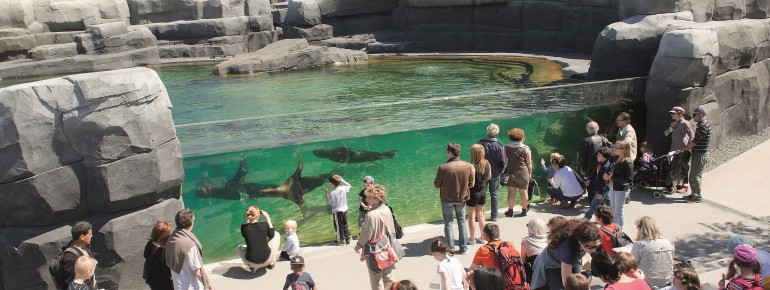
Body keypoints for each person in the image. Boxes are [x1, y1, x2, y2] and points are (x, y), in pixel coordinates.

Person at [355, 184, 404, 290]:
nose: (366, 199)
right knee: (388, 275)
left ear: (377, 200)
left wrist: (358, 245)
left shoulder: (371, 215)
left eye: (369, 197)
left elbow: (366, 234)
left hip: (375, 250)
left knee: (375, 278)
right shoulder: (386, 209)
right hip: (388, 247)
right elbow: (392, 228)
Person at [530, 219, 603, 290]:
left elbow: (580, 254)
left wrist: (585, 264)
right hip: (553, 265)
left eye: (597, 246)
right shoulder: (566, 247)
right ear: (580, 242)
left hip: (572, 261)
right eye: (591, 247)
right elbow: (567, 282)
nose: (594, 250)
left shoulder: (585, 243)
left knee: (579, 285)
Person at [434, 143, 475, 254]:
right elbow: (471, 184)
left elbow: (436, 184)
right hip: (461, 198)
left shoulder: (443, 167)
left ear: (450, 153)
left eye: (447, 152)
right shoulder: (468, 166)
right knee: (461, 221)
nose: (446, 154)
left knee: (448, 223)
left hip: (447, 199)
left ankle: (451, 248)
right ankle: (463, 247)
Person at [165, 209, 213, 290]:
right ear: (191, 223)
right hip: (191, 286)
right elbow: (196, 272)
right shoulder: (190, 245)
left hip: (178, 285)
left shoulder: (171, 239)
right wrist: (209, 285)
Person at [631, 216, 675, 288]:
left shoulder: (640, 245)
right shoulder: (669, 242)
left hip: (648, 284)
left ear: (641, 229)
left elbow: (631, 265)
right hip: (667, 282)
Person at [680, 107, 711, 202]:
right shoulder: (703, 125)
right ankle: (694, 194)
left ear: (701, 115)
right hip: (700, 153)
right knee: (696, 175)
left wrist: (685, 149)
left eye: (694, 115)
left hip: (700, 154)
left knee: (694, 176)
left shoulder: (703, 126)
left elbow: (695, 141)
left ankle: (696, 197)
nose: (693, 117)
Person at [237, 206, 279, 272]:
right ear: (258, 215)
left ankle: (252, 267)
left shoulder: (244, 228)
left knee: (239, 247)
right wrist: (267, 218)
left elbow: (246, 230)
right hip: (267, 259)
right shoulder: (264, 225)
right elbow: (272, 235)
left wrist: (248, 219)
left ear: (248, 215)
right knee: (276, 234)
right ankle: (271, 262)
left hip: (252, 262)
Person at [477, 123, 506, 221]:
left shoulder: (479, 143)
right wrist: (501, 171)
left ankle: (479, 215)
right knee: (494, 194)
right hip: (494, 173)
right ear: (496, 134)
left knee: (481, 193)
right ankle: (494, 215)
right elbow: (502, 161)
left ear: (487, 132)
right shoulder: (499, 146)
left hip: (482, 172)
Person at [503, 128, 533, 217]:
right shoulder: (526, 148)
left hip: (511, 172)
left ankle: (510, 210)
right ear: (522, 137)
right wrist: (530, 173)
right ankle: (524, 210)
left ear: (511, 137)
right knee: (523, 192)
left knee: (511, 193)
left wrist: (502, 171)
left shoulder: (506, 147)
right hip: (523, 173)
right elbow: (529, 164)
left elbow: (504, 161)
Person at [665, 107, 694, 193]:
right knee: (676, 166)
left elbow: (692, 135)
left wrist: (687, 148)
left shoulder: (685, 123)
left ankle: (685, 185)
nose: (671, 115)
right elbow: (666, 134)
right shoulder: (676, 123)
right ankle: (678, 184)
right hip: (674, 149)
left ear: (680, 114)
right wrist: (672, 128)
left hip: (682, 149)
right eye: (671, 113)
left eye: (673, 113)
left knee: (683, 166)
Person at [606, 141, 634, 227]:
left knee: (618, 211)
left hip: (621, 188)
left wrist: (612, 177)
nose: (614, 149)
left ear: (623, 150)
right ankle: (614, 227)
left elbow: (629, 179)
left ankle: (619, 230)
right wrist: (606, 174)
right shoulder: (615, 158)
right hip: (613, 186)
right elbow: (610, 168)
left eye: (617, 148)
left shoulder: (627, 162)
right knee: (613, 209)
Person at [468, 144, 491, 245]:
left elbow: (471, 183)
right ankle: (483, 238)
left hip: (473, 193)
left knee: (471, 217)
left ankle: (472, 239)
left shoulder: (471, 166)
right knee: (481, 216)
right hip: (483, 192)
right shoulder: (487, 163)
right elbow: (489, 177)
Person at [61, 221, 95, 289]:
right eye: (89, 235)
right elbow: (70, 282)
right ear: (82, 237)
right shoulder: (70, 257)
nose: (91, 236)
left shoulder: (85, 249)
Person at [583, 147, 612, 219]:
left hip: (603, 189)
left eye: (599, 155)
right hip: (603, 188)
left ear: (604, 157)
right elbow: (595, 172)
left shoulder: (605, 167)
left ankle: (587, 217)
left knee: (594, 204)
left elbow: (604, 182)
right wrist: (589, 179)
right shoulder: (599, 163)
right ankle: (613, 216)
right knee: (608, 204)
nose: (597, 156)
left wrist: (600, 193)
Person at [144, 221, 173, 290]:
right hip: (164, 283)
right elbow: (168, 272)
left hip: (152, 279)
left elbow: (145, 255)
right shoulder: (163, 251)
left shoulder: (150, 243)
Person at [325, 174, 352, 245]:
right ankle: (347, 237)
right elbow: (349, 186)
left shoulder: (332, 193)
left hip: (337, 212)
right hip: (345, 210)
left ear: (332, 184)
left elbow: (328, 201)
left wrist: (326, 192)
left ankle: (341, 240)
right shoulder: (343, 188)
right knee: (345, 224)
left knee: (338, 225)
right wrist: (342, 181)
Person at [521, 218, 548, 284]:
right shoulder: (549, 238)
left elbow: (523, 260)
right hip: (550, 268)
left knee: (523, 265)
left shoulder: (526, 240)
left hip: (537, 271)